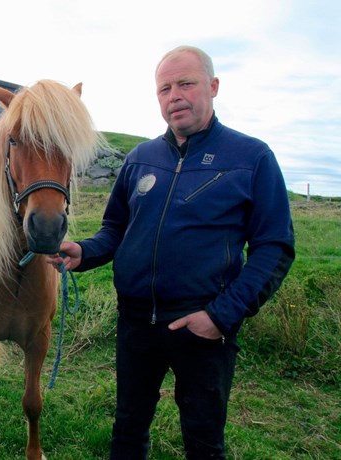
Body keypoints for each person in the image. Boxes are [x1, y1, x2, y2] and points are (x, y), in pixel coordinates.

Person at [47, 45, 295, 459]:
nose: (174, 95)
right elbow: (116, 229)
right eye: (165, 88)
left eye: (186, 84)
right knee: (128, 427)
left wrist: (222, 315)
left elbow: (275, 247)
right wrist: (83, 252)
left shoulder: (251, 157)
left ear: (213, 87)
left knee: (203, 438)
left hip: (202, 325)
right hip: (136, 323)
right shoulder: (141, 158)